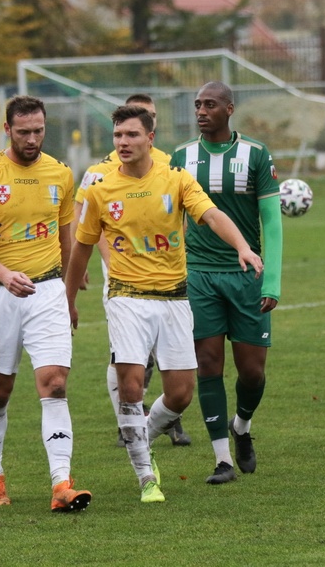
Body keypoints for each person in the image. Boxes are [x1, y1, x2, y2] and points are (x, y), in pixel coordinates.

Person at [65, 104, 263, 503]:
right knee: (131, 386)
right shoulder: (102, 189)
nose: (123, 142)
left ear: (150, 138)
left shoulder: (175, 179)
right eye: (118, 135)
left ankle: (143, 436)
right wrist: (68, 301)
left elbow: (211, 214)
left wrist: (242, 245)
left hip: (174, 299)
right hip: (126, 299)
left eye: (132, 135)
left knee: (180, 394)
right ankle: (145, 477)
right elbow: (81, 250)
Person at [0, 95, 91, 513]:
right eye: (24, 132)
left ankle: (61, 484)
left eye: (38, 130)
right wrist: (4, 274)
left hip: (48, 291)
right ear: (7, 130)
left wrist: (69, 294)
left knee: (54, 383)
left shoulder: (60, 173)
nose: (33, 138)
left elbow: (66, 237)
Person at [170, 81, 282, 485]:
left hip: (246, 276)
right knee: (208, 364)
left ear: (229, 109)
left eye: (210, 104)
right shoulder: (180, 157)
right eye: (197, 104)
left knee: (252, 372)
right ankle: (221, 459)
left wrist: (272, 282)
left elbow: (271, 222)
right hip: (199, 274)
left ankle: (242, 427)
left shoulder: (255, 154)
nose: (201, 111)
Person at [73, 93, 191, 448]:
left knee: (170, 358)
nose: (127, 140)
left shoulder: (168, 166)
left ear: (151, 130)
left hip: (166, 272)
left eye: (149, 119)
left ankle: (164, 421)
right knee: (126, 358)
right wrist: (105, 264)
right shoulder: (97, 174)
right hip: (121, 277)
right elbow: (82, 222)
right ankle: (128, 424)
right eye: (120, 133)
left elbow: (179, 216)